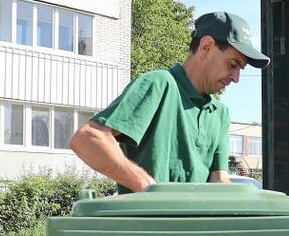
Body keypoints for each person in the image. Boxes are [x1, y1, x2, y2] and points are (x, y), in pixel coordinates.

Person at [70, 12, 269, 193]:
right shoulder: (158, 85)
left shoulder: (220, 114)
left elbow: (218, 180)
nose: (236, 78)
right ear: (206, 47)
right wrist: (148, 187)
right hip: (148, 229)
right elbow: (87, 138)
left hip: (195, 232)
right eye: (232, 65)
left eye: (240, 69)